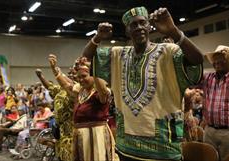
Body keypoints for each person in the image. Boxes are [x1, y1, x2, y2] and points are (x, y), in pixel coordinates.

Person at [82, 6, 203, 161]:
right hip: (126, 147)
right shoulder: (118, 55)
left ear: (149, 26)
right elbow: (86, 58)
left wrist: (173, 31)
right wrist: (97, 38)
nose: (139, 27)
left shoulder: (169, 51)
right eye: (134, 25)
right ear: (127, 31)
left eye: (142, 23)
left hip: (164, 148)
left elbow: (197, 60)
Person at [49, 55, 118, 161]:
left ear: (93, 76)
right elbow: (66, 86)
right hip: (82, 136)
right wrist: (54, 70)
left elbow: (103, 90)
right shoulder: (80, 92)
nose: (80, 80)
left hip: (96, 136)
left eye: (84, 76)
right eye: (78, 77)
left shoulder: (100, 92)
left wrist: (94, 69)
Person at [35, 67, 77, 161]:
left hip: (71, 127)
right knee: (61, 152)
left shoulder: (76, 91)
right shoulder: (60, 89)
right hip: (61, 128)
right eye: (68, 73)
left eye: (72, 74)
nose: (69, 75)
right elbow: (49, 86)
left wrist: (58, 73)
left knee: (70, 153)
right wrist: (41, 76)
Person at [203, 45, 229, 160]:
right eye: (215, 58)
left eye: (222, 57)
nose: (217, 61)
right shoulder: (208, 77)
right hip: (209, 131)